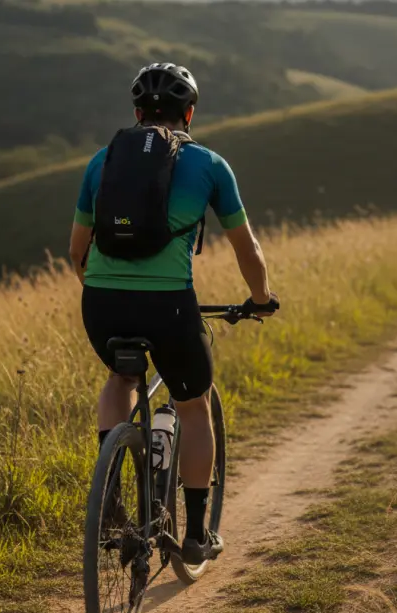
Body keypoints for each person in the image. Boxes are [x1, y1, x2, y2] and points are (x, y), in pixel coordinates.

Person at [68, 63, 276, 564]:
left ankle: (111, 495)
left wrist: (108, 290)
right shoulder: (209, 164)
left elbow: (76, 251)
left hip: (101, 303)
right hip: (169, 306)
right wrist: (261, 296)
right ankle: (197, 535)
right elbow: (245, 247)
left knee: (121, 380)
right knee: (193, 404)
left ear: (137, 113)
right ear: (189, 113)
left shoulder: (104, 160)